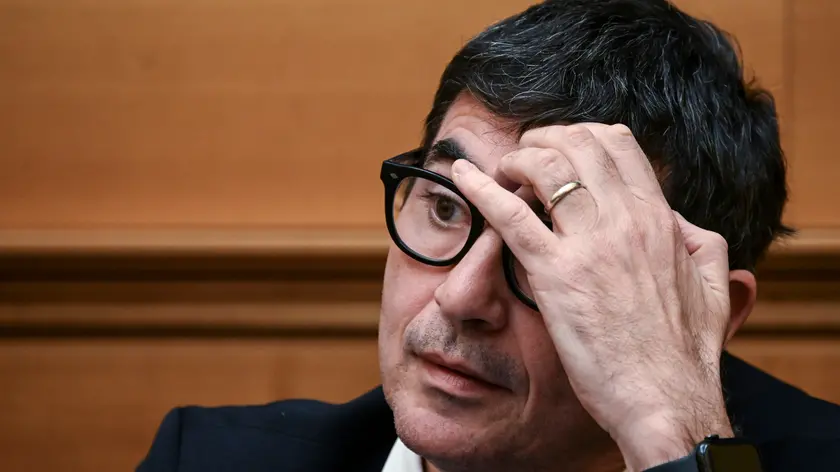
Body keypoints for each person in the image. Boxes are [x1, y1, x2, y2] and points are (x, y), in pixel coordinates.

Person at [137, 1, 840, 471]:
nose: (461, 296)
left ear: (707, 315)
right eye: (446, 207)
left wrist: (674, 433)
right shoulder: (206, 460)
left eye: (550, 247)